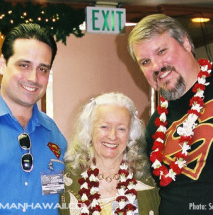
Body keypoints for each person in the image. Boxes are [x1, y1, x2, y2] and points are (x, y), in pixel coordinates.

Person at [128, 13, 213, 215]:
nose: (156, 66)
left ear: (185, 43)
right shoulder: (156, 123)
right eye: (145, 62)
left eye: (161, 51)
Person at [0, 23, 67, 214]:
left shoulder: (54, 135)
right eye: (24, 65)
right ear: (2, 64)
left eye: (42, 69)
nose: (33, 78)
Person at [60, 92, 160, 215]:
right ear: (89, 129)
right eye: (104, 127)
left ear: (131, 134)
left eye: (121, 129)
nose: (112, 136)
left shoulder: (148, 180)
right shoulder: (67, 178)